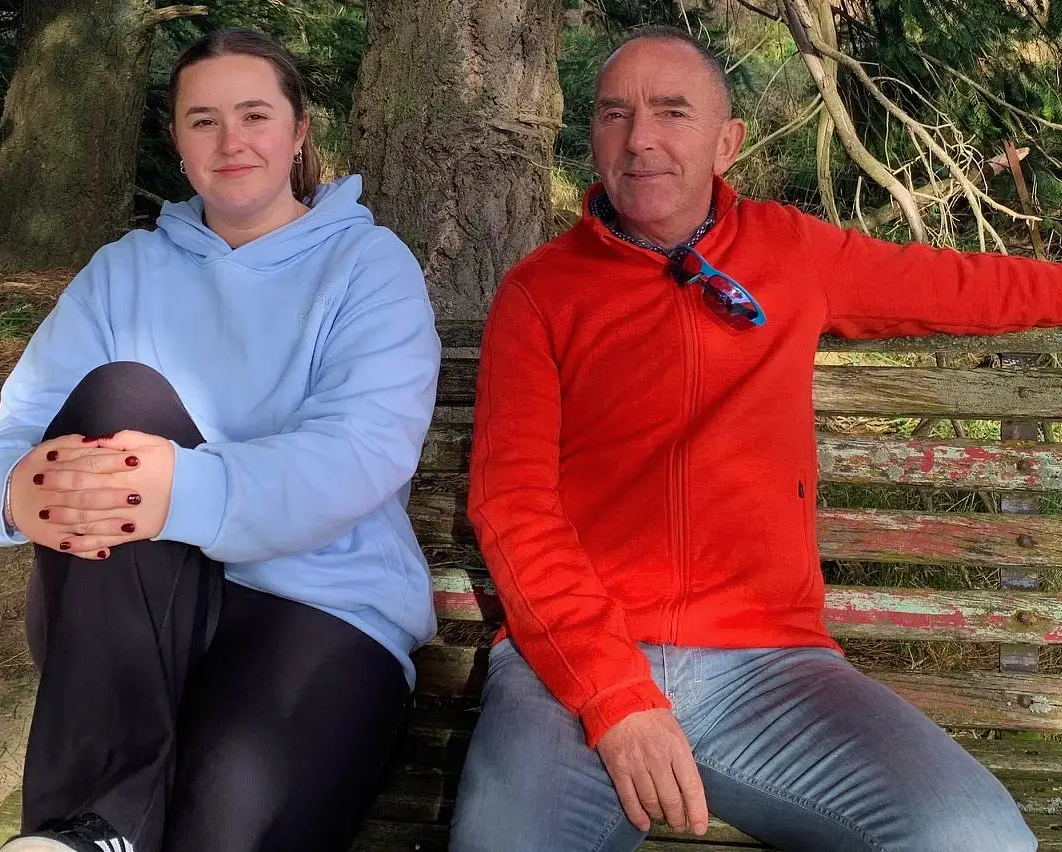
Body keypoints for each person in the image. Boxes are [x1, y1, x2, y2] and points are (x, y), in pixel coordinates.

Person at [451, 25, 1061, 852]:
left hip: (771, 670)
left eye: (673, 111)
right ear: (591, 134)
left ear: (727, 142)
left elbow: (961, 287)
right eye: (615, 114)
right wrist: (615, 694)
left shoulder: (791, 251)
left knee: (975, 838)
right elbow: (512, 505)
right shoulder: (539, 294)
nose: (641, 140)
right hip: (572, 672)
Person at [0, 28, 440, 852]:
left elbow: (362, 449)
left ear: (298, 133)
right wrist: (6, 495)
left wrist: (180, 486)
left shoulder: (368, 266)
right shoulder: (124, 270)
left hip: (317, 606)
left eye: (255, 114)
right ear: (177, 142)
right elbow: (19, 427)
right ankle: (90, 825)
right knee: (122, 393)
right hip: (128, 607)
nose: (231, 141)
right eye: (202, 120)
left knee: (219, 831)